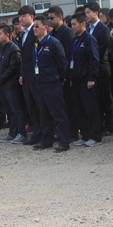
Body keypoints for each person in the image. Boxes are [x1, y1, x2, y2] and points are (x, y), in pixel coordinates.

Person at [30, 15, 70, 152]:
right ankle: (46, 140)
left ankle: (64, 141)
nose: (34, 29)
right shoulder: (36, 44)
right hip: (39, 84)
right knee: (44, 115)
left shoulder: (53, 43)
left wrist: (59, 79)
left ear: (46, 27)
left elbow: (62, 64)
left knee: (58, 114)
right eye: (34, 26)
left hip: (52, 85)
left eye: (37, 26)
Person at [68, 12, 103, 147]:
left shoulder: (89, 39)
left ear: (83, 24)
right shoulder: (74, 40)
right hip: (76, 80)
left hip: (86, 80)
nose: (72, 27)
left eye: (74, 24)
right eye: (71, 24)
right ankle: (85, 135)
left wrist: (91, 78)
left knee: (90, 108)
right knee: (80, 109)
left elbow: (94, 59)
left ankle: (95, 136)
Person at [84, 2, 113, 135]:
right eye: (85, 13)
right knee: (96, 99)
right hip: (90, 68)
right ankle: (99, 124)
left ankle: (109, 125)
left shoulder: (103, 29)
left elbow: (101, 50)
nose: (86, 15)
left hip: (101, 67)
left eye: (88, 13)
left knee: (105, 97)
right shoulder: (87, 29)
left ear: (96, 13)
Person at [0, 24, 26, 143]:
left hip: (11, 84)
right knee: (9, 111)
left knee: (16, 109)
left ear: (7, 35)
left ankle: (21, 133)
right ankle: (12, 132)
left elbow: (13, 68)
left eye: (0, 34)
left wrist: (0, 80)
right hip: (0, 85)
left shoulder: (14, 49)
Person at [48, 6, 78, 141]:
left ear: (60, 17)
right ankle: (62, 133)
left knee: (69, 106)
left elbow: (69, 55)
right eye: (48, 18)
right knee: (59, 108)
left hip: (65, 75)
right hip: (55, 76)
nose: (49, 20)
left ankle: (72, 133)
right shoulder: (52, 34)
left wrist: (66, 75)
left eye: (52, 18)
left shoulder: (67, 33)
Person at [18, 5, 43, 145]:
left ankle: (43, 133)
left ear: (32, 17)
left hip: (35, 75)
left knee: (39, 106)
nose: (21, 19)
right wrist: (22, 74)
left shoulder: (35, 31)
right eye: (20, 16)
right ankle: (36, 133)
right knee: (31, 106)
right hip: (26, 75)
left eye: (24, 16)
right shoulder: (24, 33)